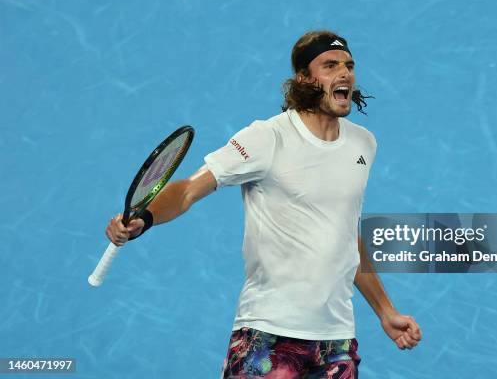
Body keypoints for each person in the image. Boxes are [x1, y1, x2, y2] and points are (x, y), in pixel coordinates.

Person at [105, 30, 422, 378]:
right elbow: (187, 191)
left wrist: (385, 310)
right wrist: (145, 217)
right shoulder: (267, 137)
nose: (344, 73)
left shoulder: (363, 144)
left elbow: (346, 234)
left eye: (348, 65)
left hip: (337, 343)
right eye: (330, 66)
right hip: (268, 335)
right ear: (304, 78)